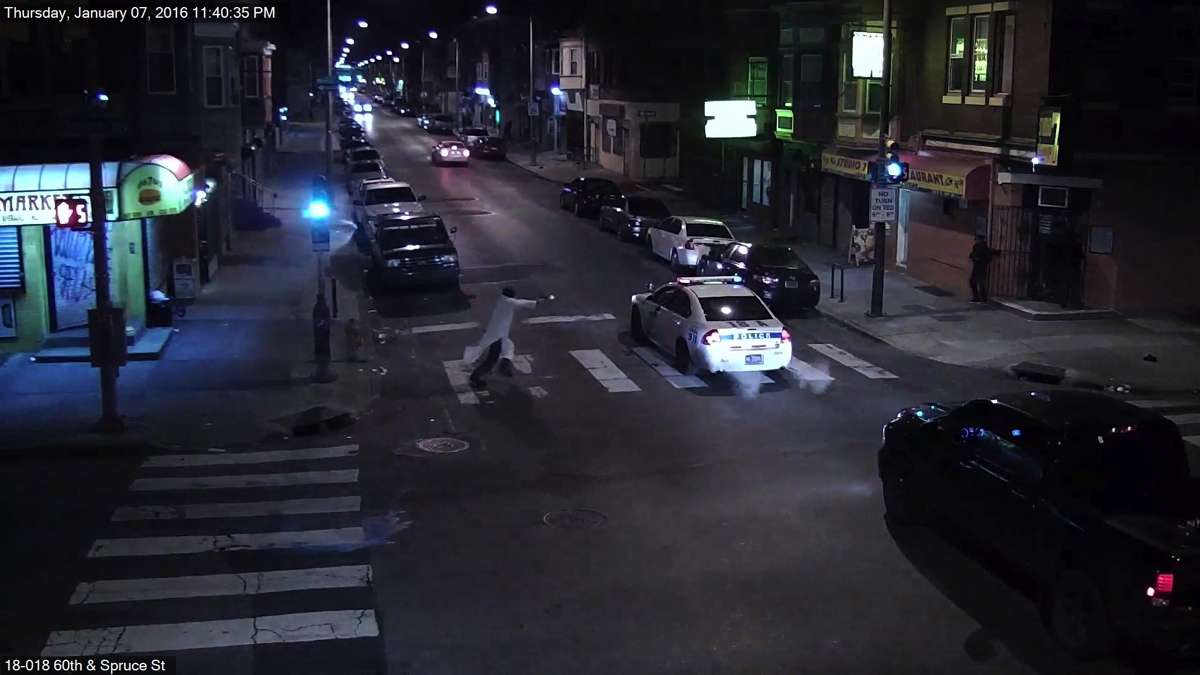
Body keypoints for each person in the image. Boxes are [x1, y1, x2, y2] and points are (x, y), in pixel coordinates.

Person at [467, 287, 552, 388]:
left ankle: (503, 366)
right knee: (492, 359)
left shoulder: (502, 301)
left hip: (495, 334)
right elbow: (524, 303)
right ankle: (478, 376)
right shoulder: (509, 302)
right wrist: (540, 301)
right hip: (497, 336)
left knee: (508, 347)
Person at [968, 234, 998, 303]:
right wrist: (973, 257)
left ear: (981, 239)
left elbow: (988, 257)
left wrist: (981, 260)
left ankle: (983, 299)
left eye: (977, 239)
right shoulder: (975, 246)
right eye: (976, 239)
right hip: (976, 266)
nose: (976, 240)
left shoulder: (984, 247)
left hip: (982, 267)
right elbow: (972, 254)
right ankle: (976, 297)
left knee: (981, 283)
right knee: (972, 281)